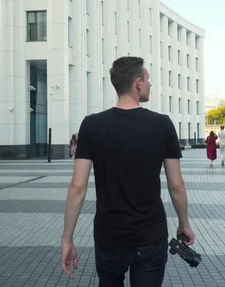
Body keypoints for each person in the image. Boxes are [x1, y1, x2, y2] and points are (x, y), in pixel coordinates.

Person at [61, 56, 194, 287]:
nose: (151, 84)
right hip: (150, 236)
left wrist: (67, 238)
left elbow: (77, 187)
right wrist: (184, 224)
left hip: (109, 236)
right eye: (149, 79)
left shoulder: (92, 125)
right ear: (138, 83)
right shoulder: (162, 124)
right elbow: (176, 184)